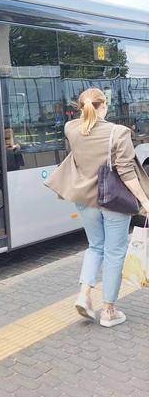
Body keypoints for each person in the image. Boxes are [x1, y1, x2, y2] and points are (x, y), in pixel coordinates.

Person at [46, 88, 149, 328]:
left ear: (81, 107)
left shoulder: (71, 128)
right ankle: (109, 311)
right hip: (113, 201)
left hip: (84, 200)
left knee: (95, 246)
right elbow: (126, 171)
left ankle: (84, 294)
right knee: (114, 251)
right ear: (104, 106)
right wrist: (145, 202)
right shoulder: (119, 132)